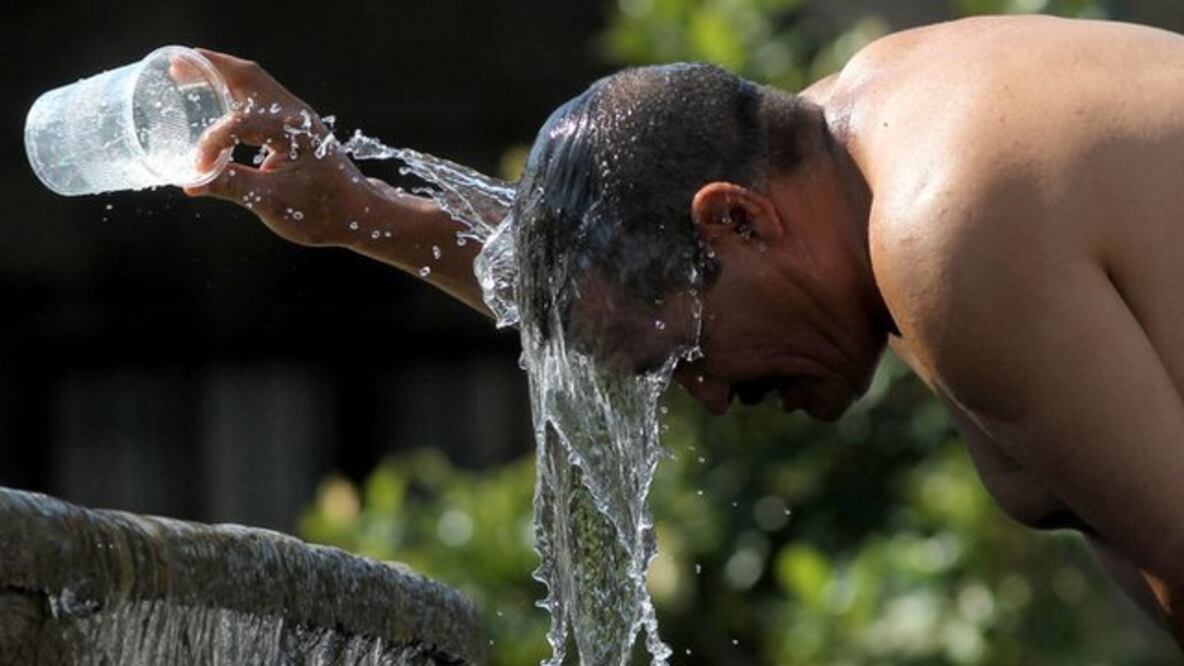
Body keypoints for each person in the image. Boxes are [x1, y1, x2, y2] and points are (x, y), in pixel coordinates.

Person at [187, 14, 1184, 644]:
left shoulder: (944, 239)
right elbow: (606, 283)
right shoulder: (858, 132)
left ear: (737, 220)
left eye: (685, 355)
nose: (705, 394)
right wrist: (356, 208)